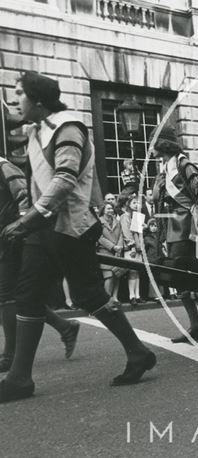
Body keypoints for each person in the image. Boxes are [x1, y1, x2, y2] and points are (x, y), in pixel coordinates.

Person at [0, 71, 155, 403]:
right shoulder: (38, 129)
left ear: (38, 101)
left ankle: (137, 351)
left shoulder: (68, 127)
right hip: (45, 229)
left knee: (88, 294)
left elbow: (66, 179)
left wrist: (27, 220)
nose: (16, 102)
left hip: (68, 227)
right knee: (27, 294)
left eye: (19, 95)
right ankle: (19, 378)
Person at [0, 144, 80, 372]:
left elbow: (24, 196)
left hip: (10, 237)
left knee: (7, 295)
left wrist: (22, 226)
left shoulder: (3, 167)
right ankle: (65, 326)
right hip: (5, 238)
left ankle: (10, 354)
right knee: (18, 295)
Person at [150, 125, 198, 343]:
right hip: (172, 227)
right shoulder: (164, 169)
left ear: (162, 143)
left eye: (152, 142)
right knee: (180, 277)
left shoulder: (184, 165)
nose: (149, 148)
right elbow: (157, 199)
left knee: (179, 275)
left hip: (186, 228)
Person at [97, 201, 124, 304]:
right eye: (108, 208)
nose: (111, 210)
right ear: (103, 210)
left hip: (117, 252)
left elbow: (121, 234)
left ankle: (114, 298)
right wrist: (112, 246)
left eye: (111, 208)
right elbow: (99, 237)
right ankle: (106, 300)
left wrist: (119, 246)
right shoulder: (99, 222)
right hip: (105, 252)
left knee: (117, 275)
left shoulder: (117, 221)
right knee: (108, 276)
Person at [120, 195, 142, 306]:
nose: (136, 205)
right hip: (131, 248)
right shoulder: (125, 217)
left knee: (137, 271)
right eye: (134, 202)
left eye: (137, 203)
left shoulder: (136, 216)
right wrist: (132, 246)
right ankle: (131, 295)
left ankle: (137, 295)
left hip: (138, 247)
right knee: (132, 272)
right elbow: (126, 233)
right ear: (128, 204)